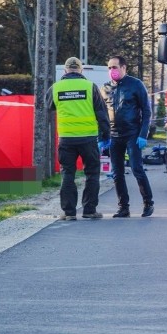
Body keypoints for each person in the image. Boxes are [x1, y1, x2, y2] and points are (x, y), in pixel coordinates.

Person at [46, 57, 111, 221]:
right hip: (88, 139)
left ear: (66, 70)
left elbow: (48, 107)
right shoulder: (90, 87)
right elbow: (102, 114)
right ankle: (89, 210)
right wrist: (106, 135)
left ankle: (69, 212)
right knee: (92, 173)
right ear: (80, 70)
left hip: (66, 139)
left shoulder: (56, 88)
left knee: (68, 174)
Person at [101, 55, 154, 218]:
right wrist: (103, 137)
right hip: (114, 136)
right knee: (117, 173)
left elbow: (146, 110)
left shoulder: (136, 85)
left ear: (124, 68)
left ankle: (148, 203)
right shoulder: (106, 88)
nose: (112, 71)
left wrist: (143, 134)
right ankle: (123, 207)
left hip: (132, 134)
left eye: (114, 67)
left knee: (137, 169)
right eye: (109, 68)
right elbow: (102, 114)